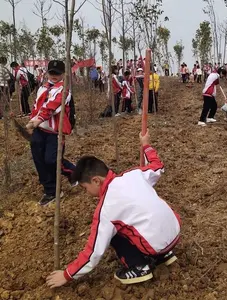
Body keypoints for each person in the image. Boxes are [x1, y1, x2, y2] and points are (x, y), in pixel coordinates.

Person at [46, 130, 181, 288]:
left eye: (85, 187)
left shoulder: (106, 208)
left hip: (156, 244)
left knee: (114, 233)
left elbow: (93, 252)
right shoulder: (133, 174)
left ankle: (139, 267)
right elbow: (157, 166)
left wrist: (67, 274)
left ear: (96, 181)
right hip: (175, 231)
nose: (87, 193)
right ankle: (163, 256)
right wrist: (146, 145)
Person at [25, 60, 76, 206]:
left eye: (57, 74)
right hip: (39, 130)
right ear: (47, 72)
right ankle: (51, 191)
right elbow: (37, 106)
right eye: (52, 73)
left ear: (63, 74)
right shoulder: (42, 88)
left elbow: (52, 106)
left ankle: (74, 173)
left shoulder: (64, 91)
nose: (54, 76)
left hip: (55, 132)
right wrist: (33, 120)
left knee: (52, 160)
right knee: (39, 160)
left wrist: (37, 120)